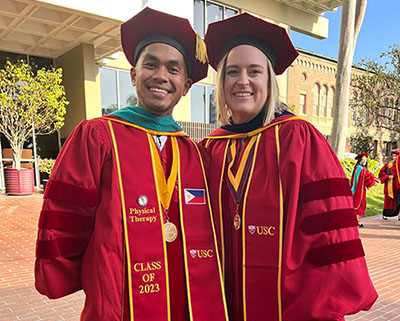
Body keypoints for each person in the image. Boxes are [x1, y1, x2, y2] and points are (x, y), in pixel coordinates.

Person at [34, 8, 228, 321]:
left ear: (187, 85)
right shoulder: (97, 137)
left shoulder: (197, 154)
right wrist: (64, 274)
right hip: (119, 302)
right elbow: (69, 215)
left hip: (189, 304)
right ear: (134, 74)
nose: (161, 76)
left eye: (173, 69)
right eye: (150, 64)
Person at [202, 13, 378, 321]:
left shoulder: (299, 139)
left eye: (254, 71)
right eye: (233, 72)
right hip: (221, 304)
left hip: (288, 307)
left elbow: (329, 238)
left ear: (269, 80)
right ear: (222, 82)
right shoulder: (211, 148)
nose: (243, 81)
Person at [350, 153, 377, 227]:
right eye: (362, 159)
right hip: (359, 190)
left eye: (365, 160)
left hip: (358, 189)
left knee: (359, 205)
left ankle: (357, 221)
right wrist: (373, 173)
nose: (364, 161)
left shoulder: (357, 168)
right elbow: (367, 178)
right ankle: (356, 222)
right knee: (359, 205)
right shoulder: (361, 169)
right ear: (359, 160)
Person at [379, 150, 400, 220]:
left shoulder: (399, 165)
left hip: (397, 185)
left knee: (398, 201)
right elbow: (381, 173)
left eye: (396, 156)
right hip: (389, 185)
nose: (394, 158)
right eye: (393, 156)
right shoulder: (388, 164)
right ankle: (385, 214)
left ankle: (399, 215)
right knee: (388, 200)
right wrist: (387, 177)